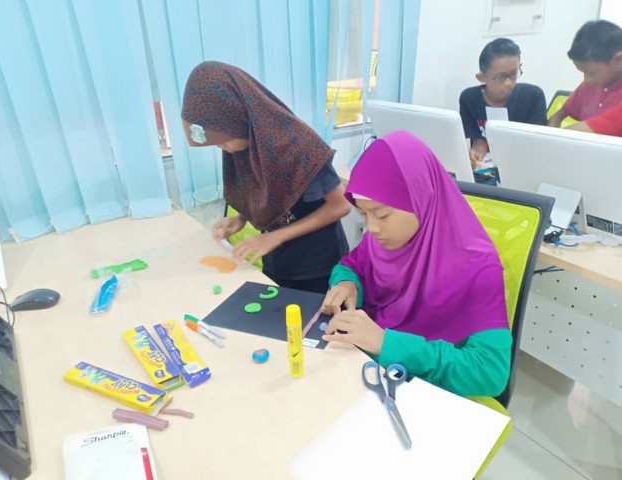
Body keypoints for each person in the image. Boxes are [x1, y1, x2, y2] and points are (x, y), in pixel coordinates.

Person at [320, 131, 512, 397]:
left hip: (425, 390)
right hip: (367, 369)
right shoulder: (381, 241)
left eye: (382, 214)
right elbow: (351, 265)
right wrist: (346, 283)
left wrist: (386, 343)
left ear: (421, 198)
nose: (371, 228)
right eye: (364, 214)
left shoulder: (478, 266)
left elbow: (490, 373)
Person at [181, 61, 351, 293]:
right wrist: (242, 218)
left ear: (241, 121)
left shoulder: (299, 146)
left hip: (318, 267)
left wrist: (275, 237)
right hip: (277, 263)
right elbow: (268, 194)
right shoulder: (246, 147)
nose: (223, 148)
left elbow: (341, 205)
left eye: (225, 141)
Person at [459, 38, 547, 171]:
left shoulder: (533, 97)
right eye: (500, 77)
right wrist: (476, 153)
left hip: (524, 165)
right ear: (482, 78)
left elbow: (537, 144)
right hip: (488, 168)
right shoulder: (469, 99)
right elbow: (478, 140)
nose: (509, 83)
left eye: (514, 74)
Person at [548, 20, 622, 128]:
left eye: (591, 73)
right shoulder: (588, 87)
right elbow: (557, 116)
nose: (586, 79)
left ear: (619, 60)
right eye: (583, 72)